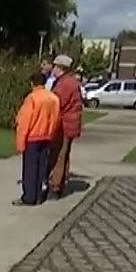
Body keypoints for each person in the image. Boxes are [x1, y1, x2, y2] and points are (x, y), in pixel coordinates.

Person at [12, 72, 60, 206]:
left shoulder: (32, 98)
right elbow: (56, 119)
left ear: (32, 83)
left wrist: (20, 143)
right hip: (46, 136)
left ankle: (29, 196)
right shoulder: (53, 98)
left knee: (30, 169)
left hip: (32, 137)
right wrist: (51, 134)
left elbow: (24, 122)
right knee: (41, 167)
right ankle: (39, 195)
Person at [46, 54, 84, 199]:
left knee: (59, 155)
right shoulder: (71, 82)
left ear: (61, 68)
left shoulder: (64, 84)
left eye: (55, 66)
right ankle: (61, 182)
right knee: (64, 154)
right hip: (71, 123)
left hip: (64, 125)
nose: (53, 69)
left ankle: (55, 186)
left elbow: (57, 102)